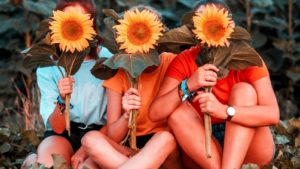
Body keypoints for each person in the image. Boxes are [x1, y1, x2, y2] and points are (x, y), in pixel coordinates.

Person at [149, 0, 280, 169]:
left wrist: (224, 111)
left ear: (229, 26)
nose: (210, 29)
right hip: (204, 142)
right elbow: (155, 113)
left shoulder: (246, 57)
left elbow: (272, 114)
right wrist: (187, 85)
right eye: (202, 23)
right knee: (177, 111)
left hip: (250, 144)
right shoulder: (185, 60)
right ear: (194, 30)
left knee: (244, 91)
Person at [81, 6, 183, 169]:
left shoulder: (171, 62)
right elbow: (113, 136)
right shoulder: (119, 71)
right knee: (90, 139)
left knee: (164, 138)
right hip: (128, 148)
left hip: (165, 149)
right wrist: (126, 115)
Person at [21, 0, 113, 168]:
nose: (74, 25)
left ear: (90, 24)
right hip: (62, 133)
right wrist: (62, 98)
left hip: (100, 134)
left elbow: (115, 118)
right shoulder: (48, 66)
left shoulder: (107, 59)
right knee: (52, 166)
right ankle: (35, 161)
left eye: (81, 19)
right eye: (68, 20)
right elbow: (57, 128)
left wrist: (85, 149)